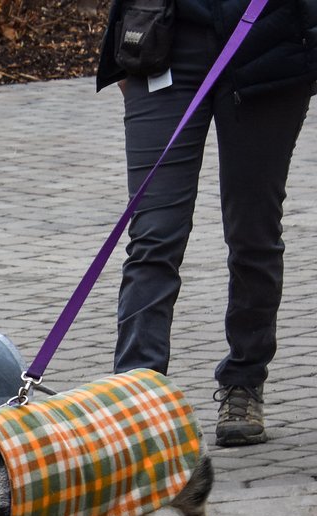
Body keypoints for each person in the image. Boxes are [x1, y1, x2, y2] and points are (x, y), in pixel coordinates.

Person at [97, 0, 317, 446]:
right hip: (166, 39)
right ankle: (137, 399)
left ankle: (244, 381)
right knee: (154, 235)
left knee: (253, 232)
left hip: (270, 40)